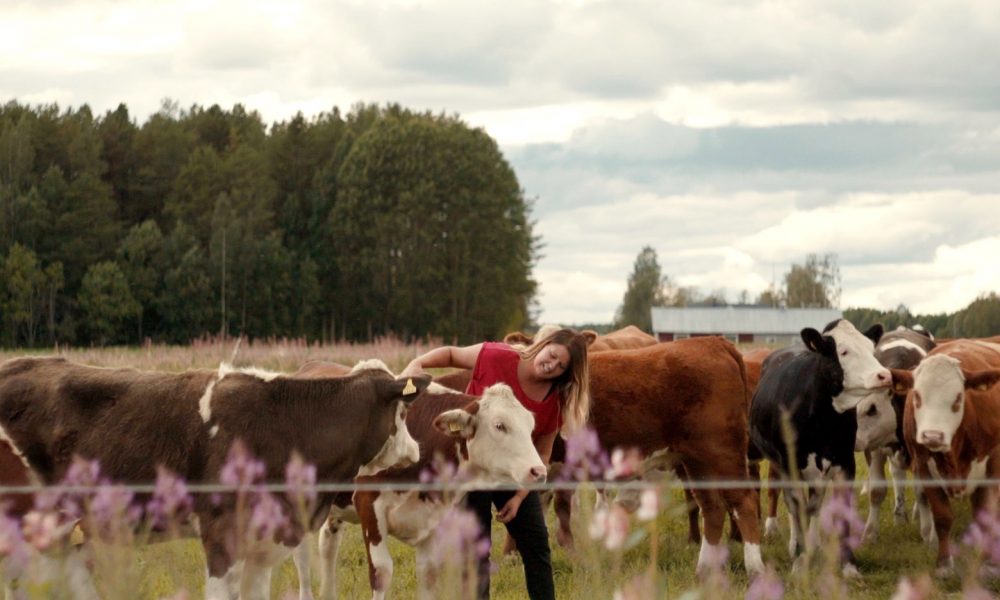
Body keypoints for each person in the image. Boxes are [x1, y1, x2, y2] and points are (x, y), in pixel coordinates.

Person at [400, 327, 592, 600]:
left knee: (537, 545)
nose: (551, 365)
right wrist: (417, 363)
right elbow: (452, 354)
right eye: (552, 355)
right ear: (544, 344)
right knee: (477, 550)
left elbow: (543, 454)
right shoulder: (495, 356)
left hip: (513, 474)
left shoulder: (555, 399)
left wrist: (519, 497)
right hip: (473, 468)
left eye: (560, 366)